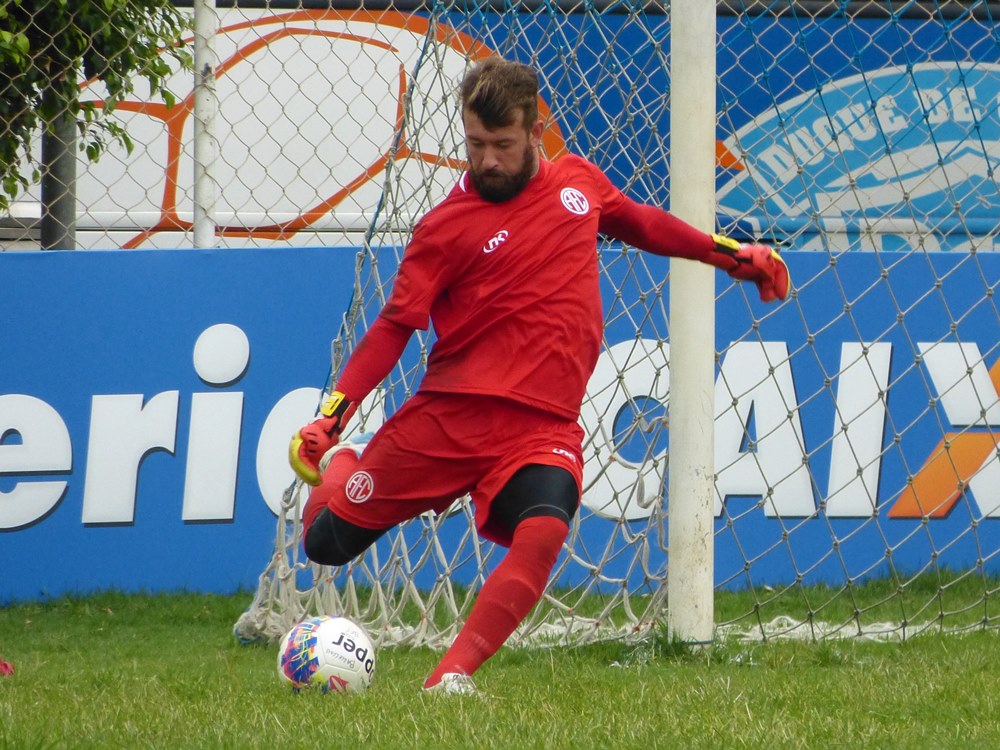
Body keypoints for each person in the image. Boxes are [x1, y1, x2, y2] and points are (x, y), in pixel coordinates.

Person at [289, 57, 789, 695]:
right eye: (475, 145)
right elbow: (393, 327)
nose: (489, 160)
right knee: (326, 544)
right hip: (448, 418)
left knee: (547, 526)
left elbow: (641, 222)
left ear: (534, 131)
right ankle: (345, 467)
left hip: (542, 427)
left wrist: (730, 254)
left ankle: (448, 680)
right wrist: (332, 417)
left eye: (503, 145)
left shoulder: (577, 184)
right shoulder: (443, 229)